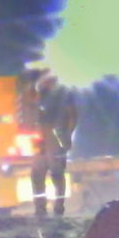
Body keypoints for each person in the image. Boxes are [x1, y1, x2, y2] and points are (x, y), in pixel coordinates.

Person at [29, 72, 79, 218]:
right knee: (38, 175)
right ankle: (42, 209)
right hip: (44, 140)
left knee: (55, 174)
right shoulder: (44, 95)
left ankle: (56, 209)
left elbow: (72, 116)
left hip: (55, 139)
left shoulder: (63, 96)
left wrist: (66, 136)